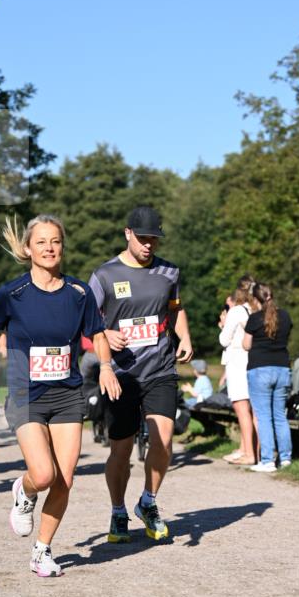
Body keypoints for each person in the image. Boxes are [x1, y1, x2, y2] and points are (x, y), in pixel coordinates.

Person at [0, 214, 120, 578]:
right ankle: (23, 492)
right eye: (41, 242)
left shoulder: (78, 293)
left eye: (55, 241)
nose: (50, 248)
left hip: (68, 394)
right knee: (42, 474)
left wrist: (104, 367)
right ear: (28, 248)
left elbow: (97, 333)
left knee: (65, 478)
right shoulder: (14, 292)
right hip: (26, 394)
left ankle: (42, 550)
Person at [88, 205, 193, 544]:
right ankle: (118, 510)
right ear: (127, 233)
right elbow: (85, 325)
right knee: (121, 449)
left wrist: (185, 336)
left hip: (160, 367)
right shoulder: (104, 275)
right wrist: (104, 336)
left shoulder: (169, 272)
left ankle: (148, 502)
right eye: (144, 238)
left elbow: (175, 310)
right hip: (121, 374)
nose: (149, 245)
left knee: (163, 439)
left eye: (155, 240)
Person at [243, 282, 293, 472]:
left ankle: (267, 461)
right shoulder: (286, 316)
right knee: (280, 415)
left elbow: (246, 345)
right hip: (282, 369)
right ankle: (286, 458)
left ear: (256, 300)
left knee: (264, 417)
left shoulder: (254, 319)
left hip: (260, 370)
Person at [218, 283, 258, 465]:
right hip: (256, 361)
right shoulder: (257, 309)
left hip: (237, 362)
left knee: (241, 408)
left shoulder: (235, 312)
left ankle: (248, 454)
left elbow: (224, 339)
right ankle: (254, 451)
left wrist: (224, 324)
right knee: (255, 410)